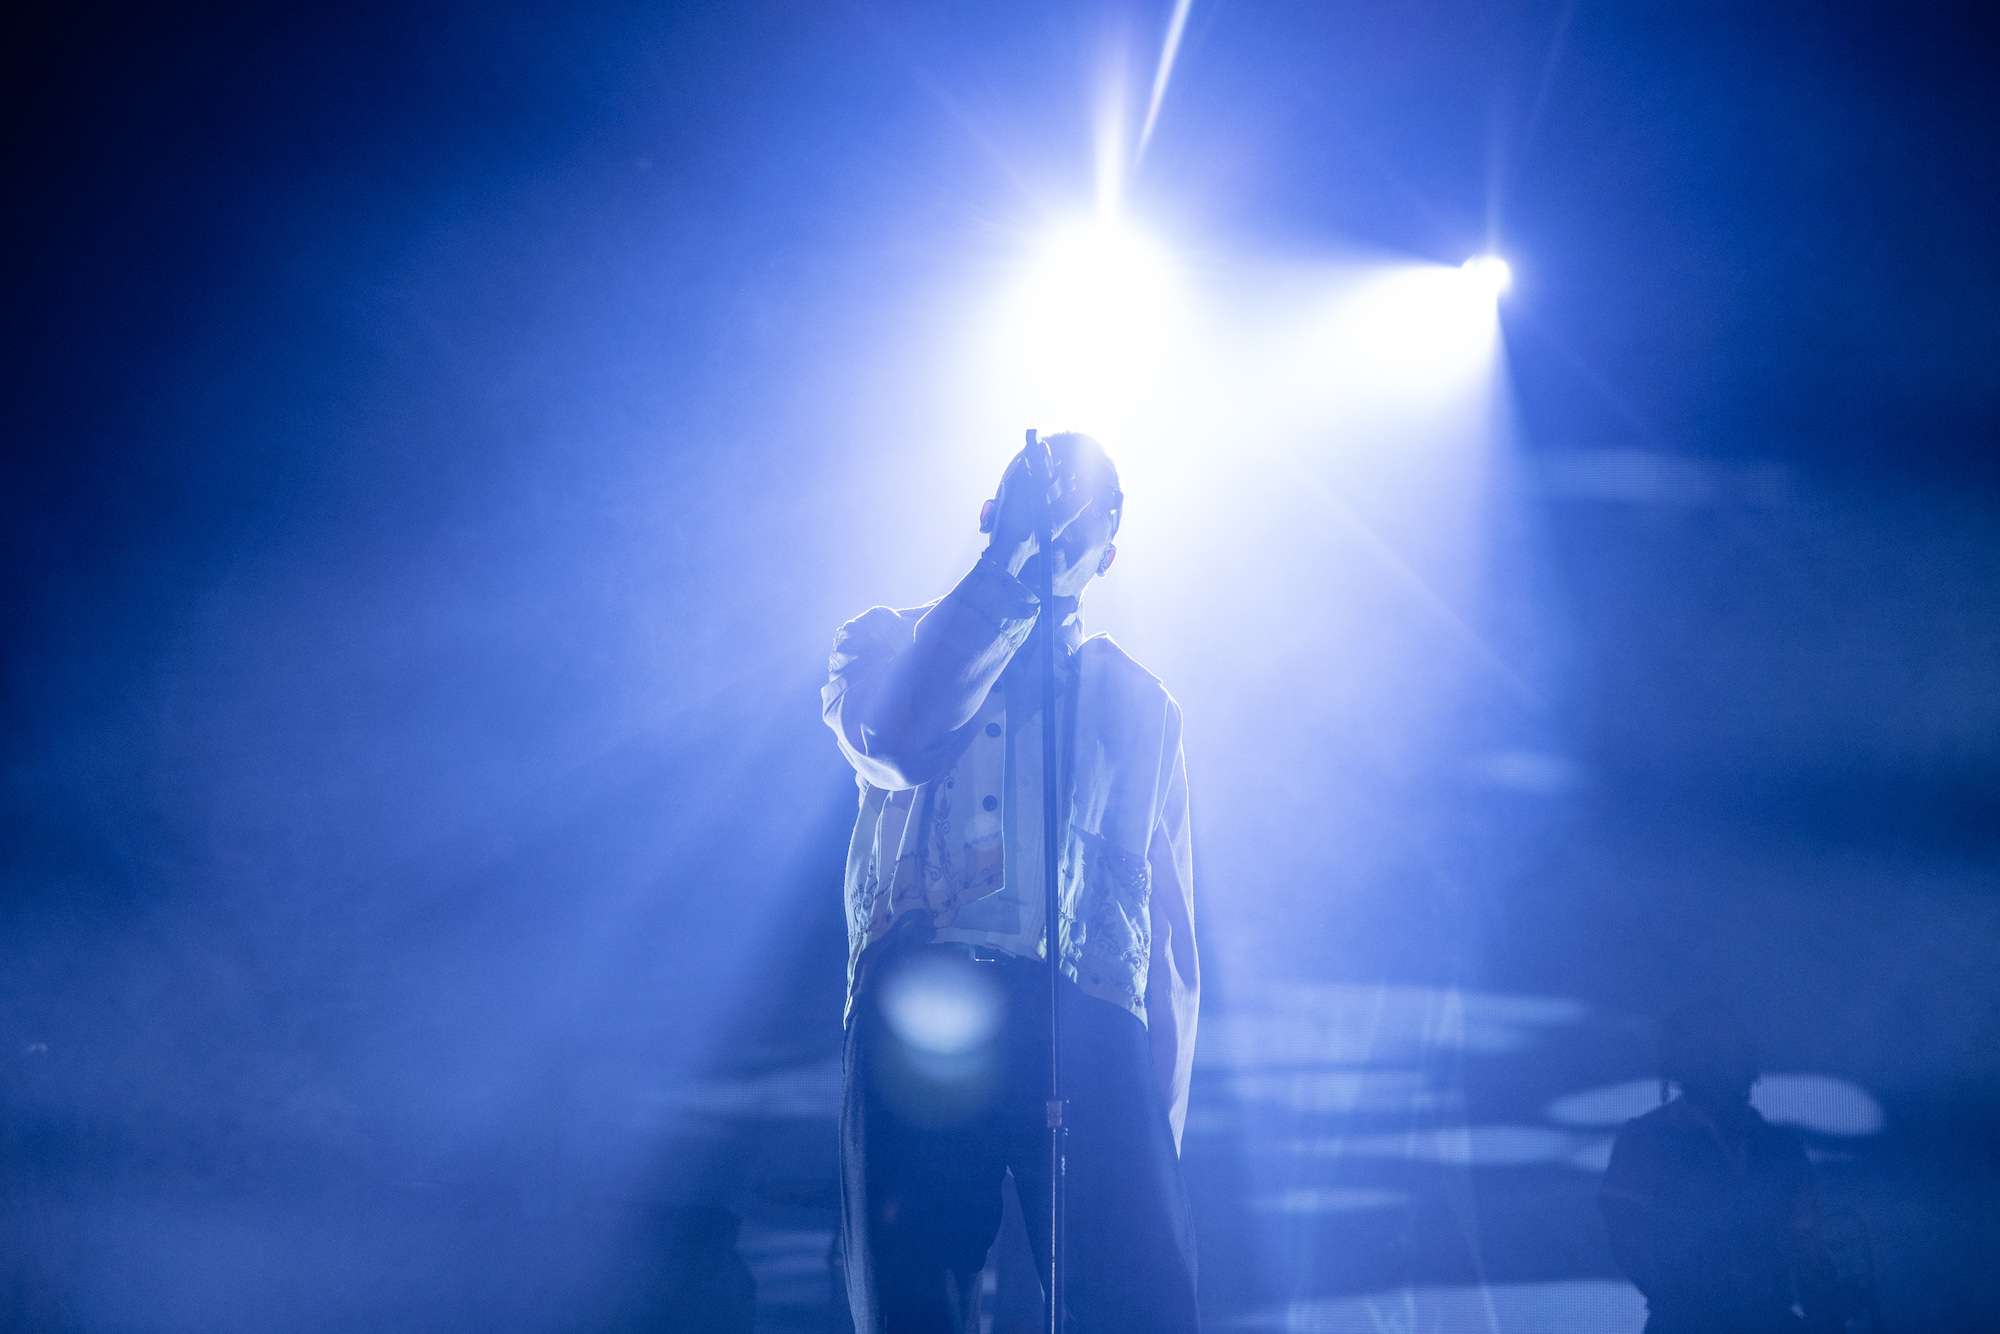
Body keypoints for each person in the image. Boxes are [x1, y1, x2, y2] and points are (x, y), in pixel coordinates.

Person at [821, 433, 1199, 1334]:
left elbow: (1171, 940)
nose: (1060, 525)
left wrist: (1155, 1125)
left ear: (1110, 553)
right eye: (1041, 504)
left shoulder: (1142, 703)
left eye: (1082, 512)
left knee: (1137, 1306)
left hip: (1087, 1018)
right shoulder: (881, 643)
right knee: (915, 1305)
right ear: (992, 516)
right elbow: (894, 742)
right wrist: (1006, 574)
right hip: (923, 1007)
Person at [1599, 1001, 1850, 1334]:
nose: (1723, 1062)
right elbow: (1628, 1237)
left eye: (1730, 1049)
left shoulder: (1781, 1146)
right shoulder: (1645, 1139)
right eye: (1711, 1051)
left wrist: (1824, 1311)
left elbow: (1807, 1241)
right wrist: (1683, 1298)